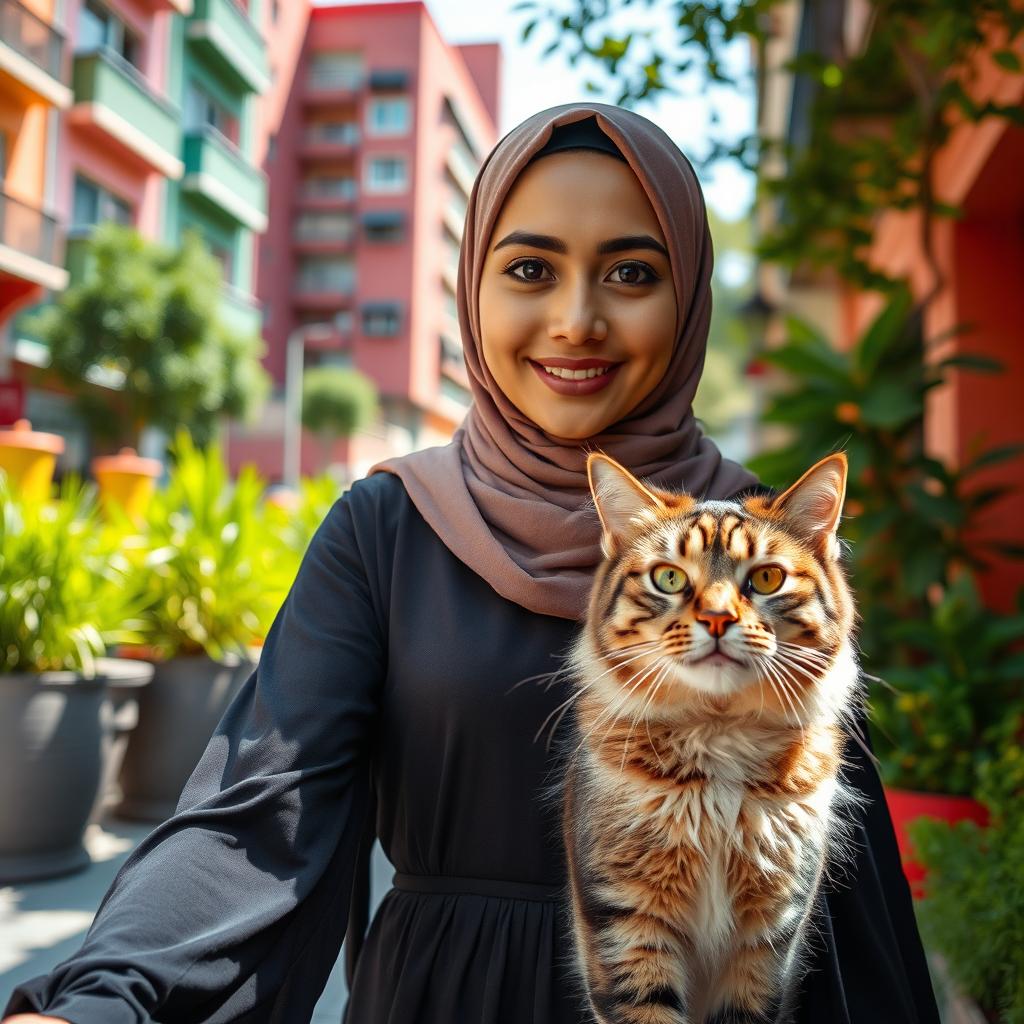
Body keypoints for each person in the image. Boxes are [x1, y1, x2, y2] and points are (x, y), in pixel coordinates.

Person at [3, 103, 939, 1024]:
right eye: (530, 268)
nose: (577, 321)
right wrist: (102, 1001)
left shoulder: (768, 549)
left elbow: (842, 888)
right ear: (471, 287)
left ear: (688, 293)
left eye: (631, 272)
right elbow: (257, 819)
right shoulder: (389, 525)